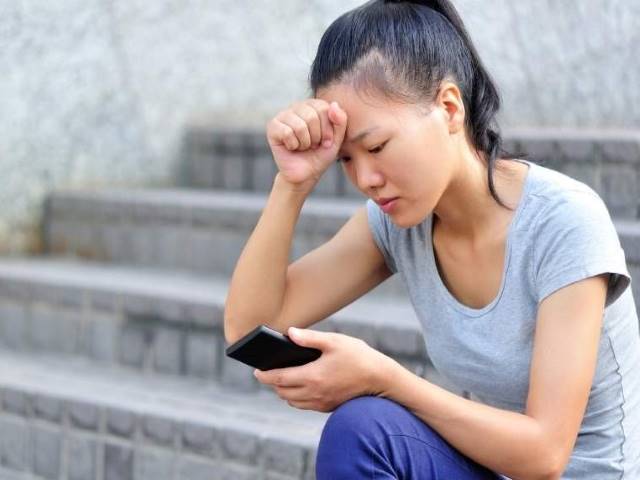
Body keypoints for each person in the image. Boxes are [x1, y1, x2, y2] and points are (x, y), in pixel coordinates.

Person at [223, 0, 640, 478]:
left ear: (448, 107)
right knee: (363, 430)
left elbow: (545, 455)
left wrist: (385, 379)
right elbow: (249, 325)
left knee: (369, 421)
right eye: (347, 160)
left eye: (377, 147)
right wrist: (292, 184)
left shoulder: (563, 222)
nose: (366, 178)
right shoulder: (398, 223)